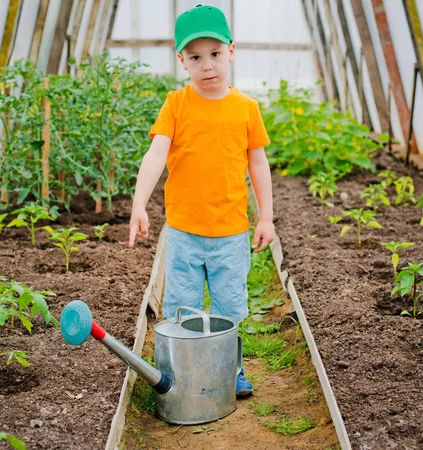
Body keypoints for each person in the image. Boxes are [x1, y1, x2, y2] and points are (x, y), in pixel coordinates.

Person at [128, 4, 274, 397]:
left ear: (231, 50)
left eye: (214, 53)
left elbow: (258, 163)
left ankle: (232, 369)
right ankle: (185, 374)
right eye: (195, 57)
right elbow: (156, 154)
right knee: (182, 309)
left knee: (228, 312)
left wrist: (267, 218)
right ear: (182, 60)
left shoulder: (245, 108)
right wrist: (139, 203)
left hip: (230, 233)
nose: (206, 65)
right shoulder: (177, 105)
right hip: (183, 233)